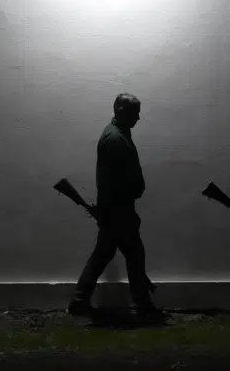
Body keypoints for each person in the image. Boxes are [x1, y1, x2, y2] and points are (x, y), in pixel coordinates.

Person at [67, 93, 165, 319]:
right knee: (134, 255)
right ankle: (143, 305)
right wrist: (115, 210)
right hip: (119, 210)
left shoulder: (118, 134)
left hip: (116, 210)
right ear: (122, 111)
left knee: (104, 255)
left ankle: (79, 301)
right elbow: (111, 181)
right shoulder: (115, 138)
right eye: (135, 113)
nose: (138, 118)